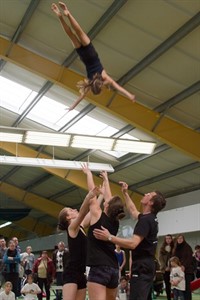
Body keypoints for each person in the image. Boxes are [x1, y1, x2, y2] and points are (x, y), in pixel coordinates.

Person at [51, 2, 135, 111]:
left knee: (78, 31)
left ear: (100, 86)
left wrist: (130, 95)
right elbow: (81, 97)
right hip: (82, 55)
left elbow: (118, 87)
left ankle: (68, 14)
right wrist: (73, 106)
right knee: (71, 35)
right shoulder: (90, 82)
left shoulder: (105, 77)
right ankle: (60, 17)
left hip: (91, 52)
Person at [93, 181, 166, 300]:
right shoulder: (149, 218)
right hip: (147, 265)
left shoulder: (146, 221)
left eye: (149, 194)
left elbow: (133, 243)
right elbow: (132, 210)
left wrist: (109, 237)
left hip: (142, 266)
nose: (146, 193)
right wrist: (125, 193)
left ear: (151, 202)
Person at [84, 169, 125, 300]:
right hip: (113, 269)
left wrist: (89, 174)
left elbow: (92, 194)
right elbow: (109, 199)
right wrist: (106, 179)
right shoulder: (115, 222)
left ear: (107, 207)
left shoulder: (97, 214)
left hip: (99, 267)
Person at [57, 187, 100, 300]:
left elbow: (93, 211)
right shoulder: (72, 228)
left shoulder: (80, 227)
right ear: (68, 217)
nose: (74, 209)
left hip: (81, 272)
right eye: (71, 210)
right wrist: (89, 196)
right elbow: (82, 213)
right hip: (71, 272)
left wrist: (102, 195)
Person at [173, 234, 194, 300]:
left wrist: (183, 266)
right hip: (178, 271)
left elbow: (189, 258)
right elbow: (174, 258)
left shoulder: (187, 247)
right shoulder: (175, 248)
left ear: (183, 239)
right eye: (178, 238)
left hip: (187, 271)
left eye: (181, 238)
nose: (180, 239)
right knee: (180, 289)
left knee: (187, 289)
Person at [159, 234, 174, 300]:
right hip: (165, 269)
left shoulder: (174, 247)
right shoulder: (162, 248)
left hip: (173, 268)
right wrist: (165, 267)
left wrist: (171, 267)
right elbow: (160, 258)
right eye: (167, 238)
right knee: (167, 285)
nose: (168, 240)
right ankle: (169, 298)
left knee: (174, 284)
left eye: (169, 238)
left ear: (171, 239)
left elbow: (175, 257)